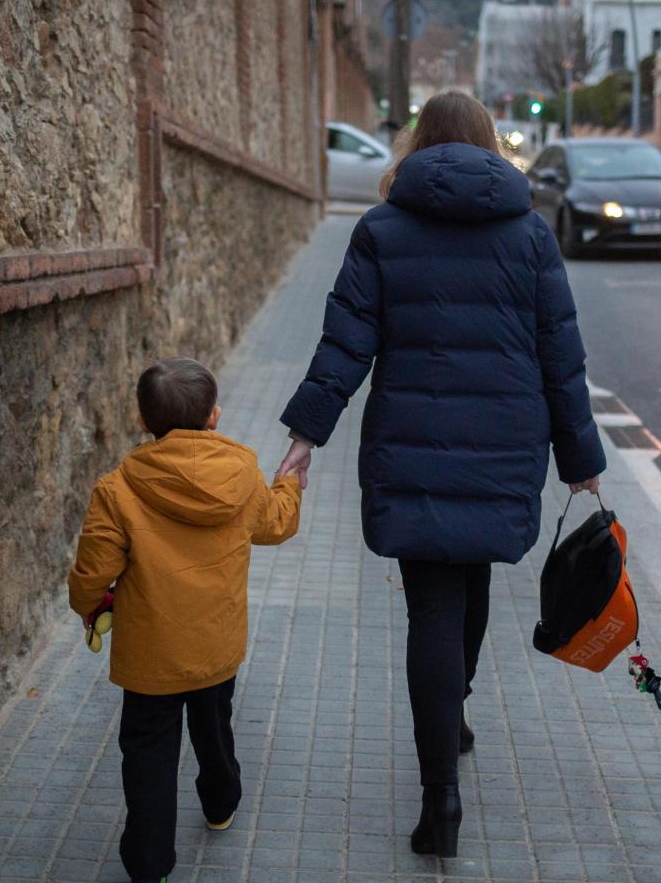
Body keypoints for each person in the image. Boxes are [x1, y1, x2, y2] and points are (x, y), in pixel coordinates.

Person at [274, 91, 605, 858]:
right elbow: (562, 353)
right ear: (492, 145)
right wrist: (580, 461)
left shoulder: (382, 229)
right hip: (503, 439)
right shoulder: (529, 234)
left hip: (412, 439)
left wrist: (304, 434)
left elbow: (345, 342)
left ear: (417, 143)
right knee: (475, 576)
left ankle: (439, 805)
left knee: (431, 606)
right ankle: (452, 712)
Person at [69, 357, 302, 883]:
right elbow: (277, 525)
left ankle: (150, 864)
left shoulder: (117, 489)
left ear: (143, 422)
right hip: (215, 647)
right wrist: (288, 484)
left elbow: (92, 573)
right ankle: (220, 802)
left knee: (148, 753)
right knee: (213, 725)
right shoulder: (241, 474)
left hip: (150, 657)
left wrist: (89, 604)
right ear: (213, 416)